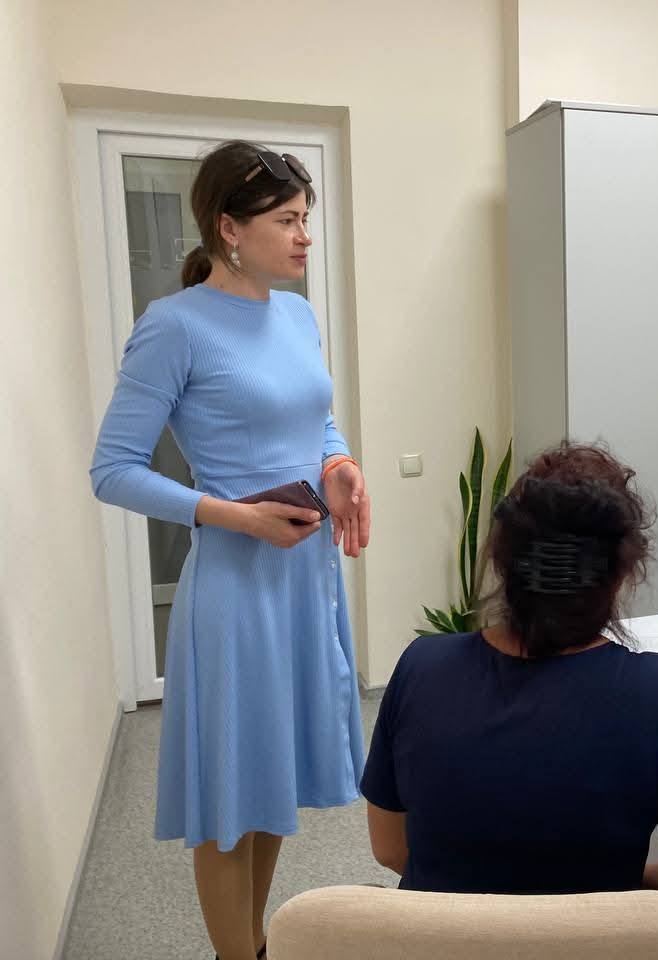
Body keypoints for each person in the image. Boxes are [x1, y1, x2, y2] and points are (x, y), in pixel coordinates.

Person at [90, 140, 371, 960]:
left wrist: (339, 466)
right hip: (236, 590)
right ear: (229, 228)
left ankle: (252, 942)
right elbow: (112, 471)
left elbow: (314, 418)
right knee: (230, 800)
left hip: (306, 578)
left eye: (306, 218)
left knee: (273, 779)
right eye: (287, 220)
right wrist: (231, 517)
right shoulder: (173, 327)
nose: (305, 236)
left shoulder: (296, 314)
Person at [361, 442, 658, 922]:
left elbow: (392, 848)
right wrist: (613, 890)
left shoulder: (422, 668)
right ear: (622, 575)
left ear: (502, 562)